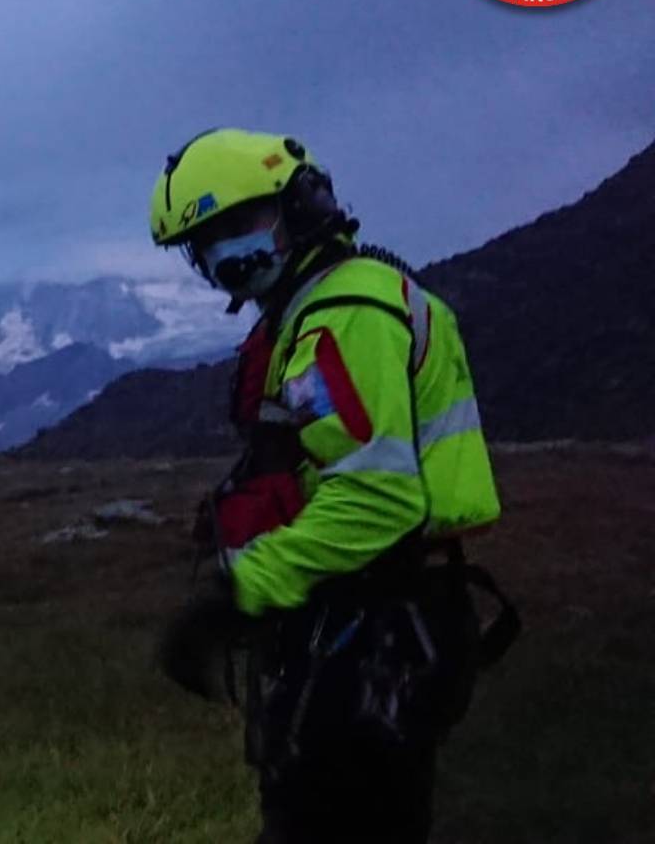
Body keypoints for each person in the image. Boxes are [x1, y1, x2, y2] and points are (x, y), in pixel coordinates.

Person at [148, 129, 515, 843]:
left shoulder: (342, 317)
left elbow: (379, 497)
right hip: (388, 617)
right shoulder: (341, 301)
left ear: (301, 204)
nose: (223, 253)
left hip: (376, 626)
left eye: (236, 225)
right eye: (205, 242)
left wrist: (243, 590)